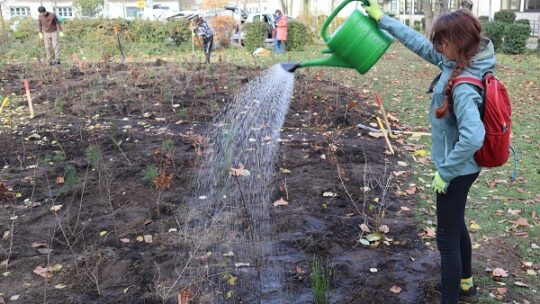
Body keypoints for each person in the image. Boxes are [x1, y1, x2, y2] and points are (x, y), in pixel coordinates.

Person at [363, 1, 493, 303]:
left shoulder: (463, 86)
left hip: (457, 170)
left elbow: (474, 135)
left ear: (457, 44)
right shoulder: (461, 61)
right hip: (464, 167)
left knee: (446, 241)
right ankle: (466, 285)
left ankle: (451, 298)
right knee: (456, 225)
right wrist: (384, 20)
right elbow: (420, 44)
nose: (436, 46)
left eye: (441, 41)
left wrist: (445, 172)